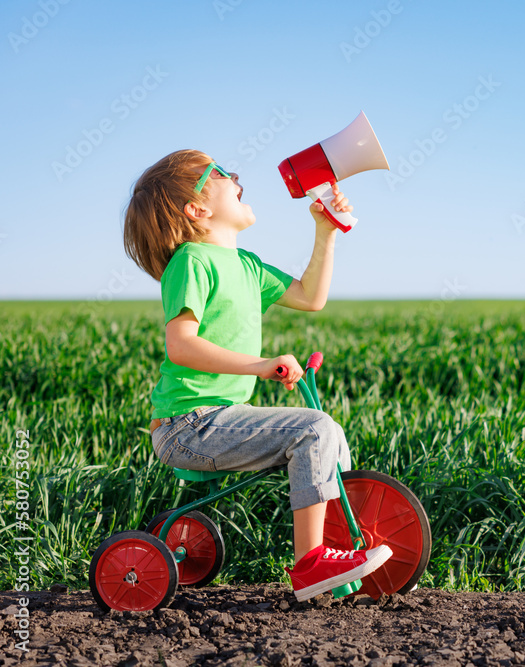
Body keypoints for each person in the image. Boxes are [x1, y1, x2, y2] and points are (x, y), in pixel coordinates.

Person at [122, 149, 391, 602]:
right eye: (223, 174)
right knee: (315, 430)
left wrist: (325, 231)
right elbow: (180, 344)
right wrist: (261, 365)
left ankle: (334, 549)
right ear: (198, 209)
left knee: (331, 437)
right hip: (187, 426)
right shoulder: (193, 261)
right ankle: (310, 565)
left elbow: (310, 297)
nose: (236, 176)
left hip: (219, 418)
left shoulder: (246, 266)